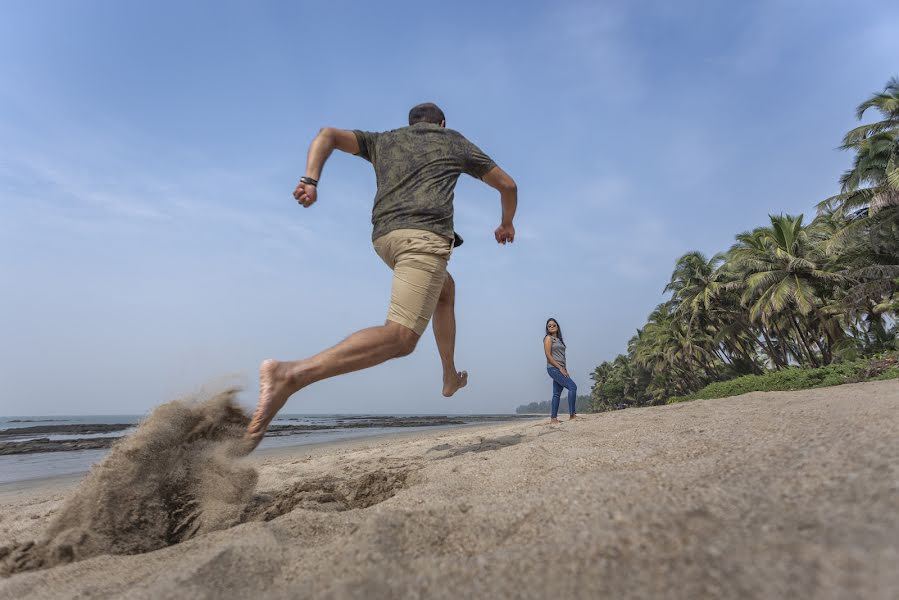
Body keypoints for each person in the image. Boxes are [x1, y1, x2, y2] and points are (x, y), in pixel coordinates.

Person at [243, 102, 518, 451]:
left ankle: (449, 374)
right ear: (442, 123)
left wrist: (310, 181)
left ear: (411, 124)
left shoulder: (384, 140)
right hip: (423, 238)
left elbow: (326, 135)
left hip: (386, 239)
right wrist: (506, 222)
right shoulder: (452, 140)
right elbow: (507, 186)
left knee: (445, 290)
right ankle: (290, 376)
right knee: (400, 337)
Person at [543, 318, 577, 423]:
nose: (552, 327)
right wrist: (560, 368)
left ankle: (553, 418)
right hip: (553, 368)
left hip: (560, 368)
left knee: (556, 393)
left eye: (554, 325)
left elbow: (561, 356)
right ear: (547, 328)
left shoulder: (559, 340)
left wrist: (564, 368)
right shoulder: (548, 338)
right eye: (549, 326)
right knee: (573, 387)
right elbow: (548, 355)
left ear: (557, 327)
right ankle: (572, 415)